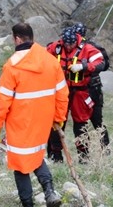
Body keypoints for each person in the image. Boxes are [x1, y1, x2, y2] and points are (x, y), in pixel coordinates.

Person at [0, 22, 69, 207]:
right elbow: (62, 93)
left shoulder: (12, 66)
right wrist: (58, 118)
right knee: (34, 155)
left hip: (20, 123)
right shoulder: (51, 61)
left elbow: (3, 101)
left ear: (16, 39)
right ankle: (50, 192)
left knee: (20, 166)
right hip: (43, 121)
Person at [46, 22, 109, 161]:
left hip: (80, 91)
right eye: (66, 44)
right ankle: (55, 155)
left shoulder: (88, 49)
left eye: (71, 44)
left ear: (76, 40)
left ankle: (84, 156)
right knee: (56, 122)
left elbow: (100, 63)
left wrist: (84, 66)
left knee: (81, 123)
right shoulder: (55, 47)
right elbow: (41, 58)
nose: (68, 47)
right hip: (60, 91)